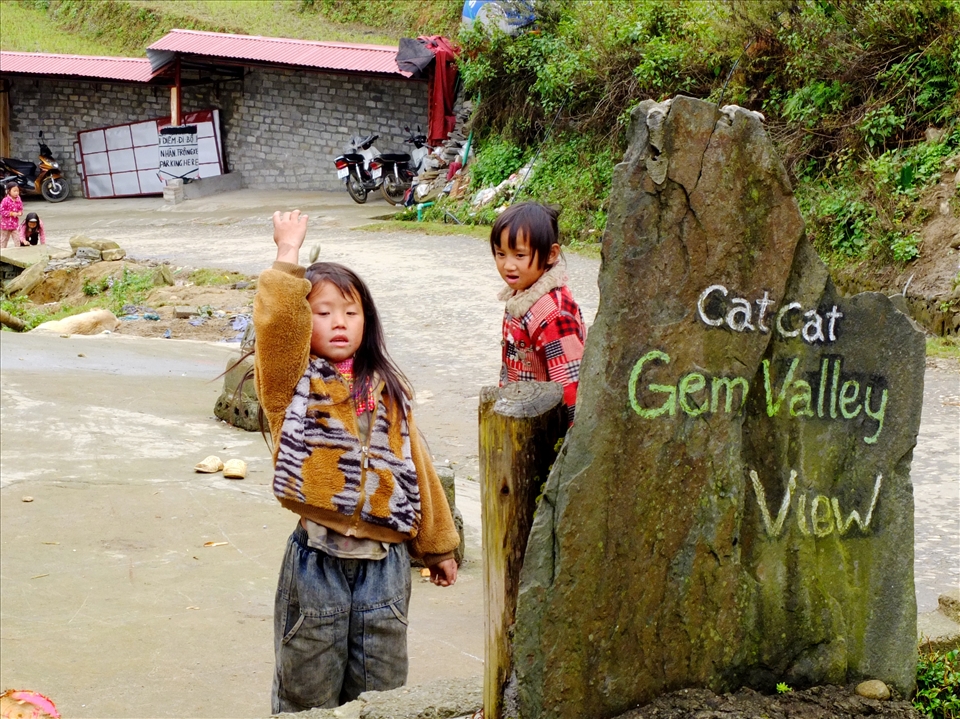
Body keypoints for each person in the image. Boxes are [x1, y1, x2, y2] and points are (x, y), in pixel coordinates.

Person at [254, 209, 460, 713]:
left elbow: (418, 468)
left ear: (368, 321)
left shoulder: (389, 390)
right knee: (308, 689)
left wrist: (437, 547)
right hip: (317, 564)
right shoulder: (293, 386)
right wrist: (287, 257)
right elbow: (278, 328)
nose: (339, 322)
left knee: (382, 691)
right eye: (322, 313)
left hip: (385, 570)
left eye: (350, 312)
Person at [492, 202, 586, 426]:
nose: (508, 265)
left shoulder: (553, 314)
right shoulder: (521, 297)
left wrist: (568, 446)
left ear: (551, 254)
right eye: (501, 254)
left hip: (544, 429)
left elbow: (570, 384)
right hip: (520, 416)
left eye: (520, 255)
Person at [1, 182, 23, 248]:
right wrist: (11, 213)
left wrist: (20, 213)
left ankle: (17, 252)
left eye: (17, 191)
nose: (16, 193)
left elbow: (21, 209)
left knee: (17, 240)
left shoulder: (19, 200)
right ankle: (2, 253)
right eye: (14, 191)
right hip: (5, 225)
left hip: (15, 225)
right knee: (3, 240)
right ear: (9, 191)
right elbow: (1, 211)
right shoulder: (5, 200)